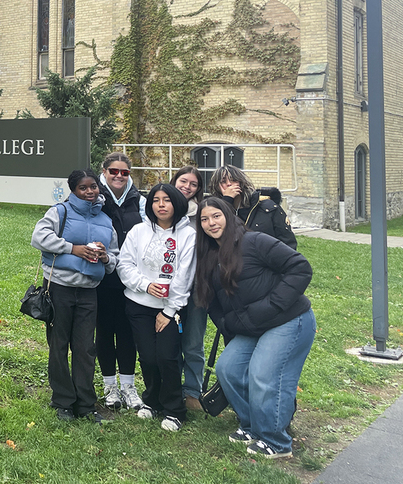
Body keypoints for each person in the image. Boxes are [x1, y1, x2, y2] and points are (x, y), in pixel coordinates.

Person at [195, 197, 314, 458]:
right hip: (251, 326)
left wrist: (271, 306)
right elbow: (211, 300)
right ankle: (252, 425)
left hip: (288, 320)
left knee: (263, 374)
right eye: (204, 219)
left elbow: (300, 268)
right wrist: (227, 324)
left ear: (228, 215)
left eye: (216, 216)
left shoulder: (255, 241)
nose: (211, 223)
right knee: (228, 370)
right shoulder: (208, 256)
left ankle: (276, 441)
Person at [31, 169, 119, 424]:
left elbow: (115, 256)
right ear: (74, 190)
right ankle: (62, 402)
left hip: (89, 290)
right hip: (59, 287)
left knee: (85, 348)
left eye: (93, 186)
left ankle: (86, 404)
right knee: (58, 345)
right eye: (83, 187)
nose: (90, 191)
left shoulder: (105, 219)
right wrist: (73, 249)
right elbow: (39, 237)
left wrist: (105, 257)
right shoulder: (60, 212)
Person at [117, 183, 195, 431]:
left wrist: (169, 311)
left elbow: (185, 276)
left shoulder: (188, 235)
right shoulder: (138, 231)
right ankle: (152, 401)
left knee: (167, 357)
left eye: (167, 200)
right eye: (155, 200)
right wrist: (145, 285)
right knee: (149, 357)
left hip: (172, 309)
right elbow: (124, 265)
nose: (161, 205)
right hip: (139, 304)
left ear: (177, 204)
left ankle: (174, 410)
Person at [95, 152, 146, 410]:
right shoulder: (95, 198)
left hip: (131, 279)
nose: (118, 176)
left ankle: (128, 386)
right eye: (113, 171)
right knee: (104, 331)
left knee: (127, 332)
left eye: (124, 172)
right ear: (104, 171)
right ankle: (109, 386)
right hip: (101, 277)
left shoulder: (140, 201)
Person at [170, 166, 209, 411]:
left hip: (196, 289)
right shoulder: (158, 208)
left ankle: (193, 391)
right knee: (169, 343)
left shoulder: (203, 213)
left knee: (193, 342)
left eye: (193, 184)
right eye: (183, 181)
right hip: (165, 289)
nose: (187, 186)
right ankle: (171, 388)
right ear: (174, 181)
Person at [209, 165, 297, 249]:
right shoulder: (213, 210)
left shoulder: (268, 207)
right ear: (217, 186)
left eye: (233, 180)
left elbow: (288, 241)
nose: (229, 184)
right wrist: (227, 200)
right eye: (223, 182)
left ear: (241, 182)